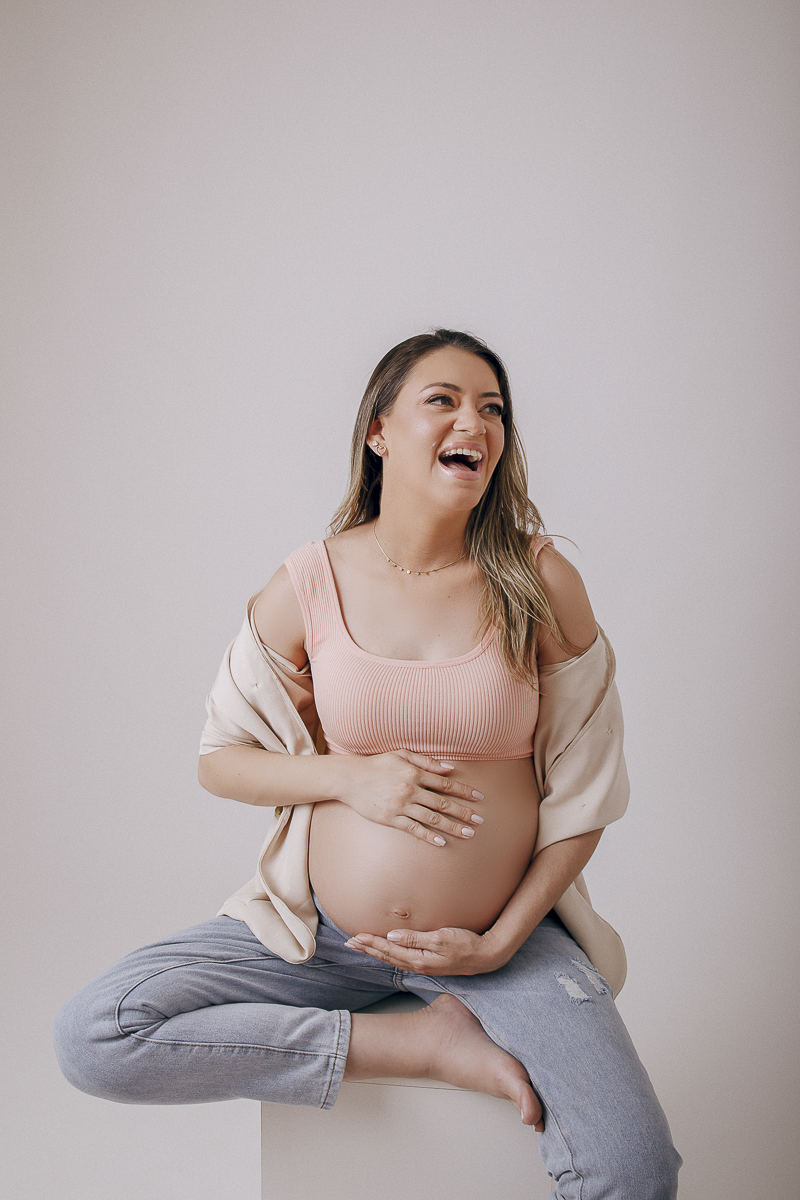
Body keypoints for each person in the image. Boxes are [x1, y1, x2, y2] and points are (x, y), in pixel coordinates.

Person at [55, 329, 681, 1198]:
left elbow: (588, 792)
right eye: (443, 400)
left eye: (493, 408)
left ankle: (465, 997)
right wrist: (350, 777)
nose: (475, 422)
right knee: (97, 1034)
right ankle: (419, 1043)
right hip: (322, 939)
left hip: (501, 941)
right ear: (379, 431)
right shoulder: (309, 583)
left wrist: (497, 943)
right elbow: (222, 759)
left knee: (637, 1170)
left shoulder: (538, 579)